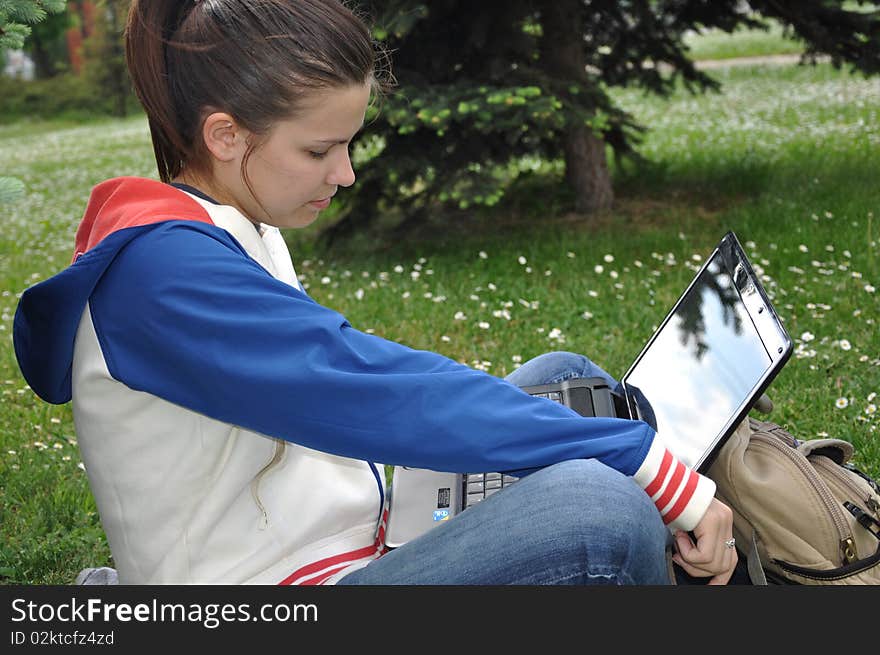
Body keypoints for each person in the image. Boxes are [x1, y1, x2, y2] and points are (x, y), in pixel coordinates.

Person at [13, 0, 736, 585]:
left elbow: (354, 388)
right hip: (281, 582)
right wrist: (647, 469)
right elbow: (370, 387)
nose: (346, 173)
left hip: (353, 535)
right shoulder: (163, 275)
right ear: (226, 135)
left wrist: (634, 457)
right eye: (320, 150)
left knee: (564, 375)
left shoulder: (224, 216)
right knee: (602, 511)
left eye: (349, 144)